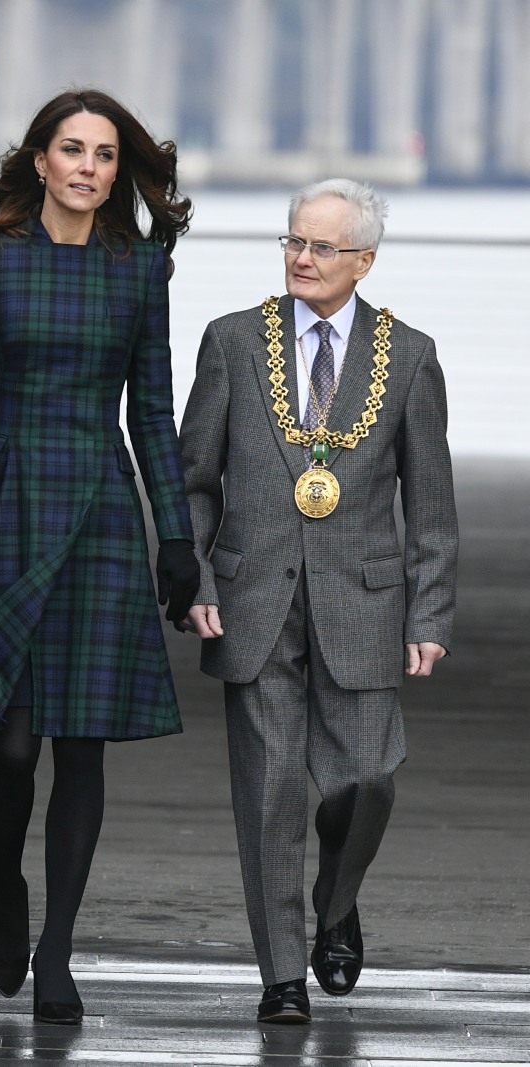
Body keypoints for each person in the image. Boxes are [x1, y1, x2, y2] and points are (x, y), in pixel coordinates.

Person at [0, 89, 199, 1024]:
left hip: (105, 509)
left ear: (121, 170)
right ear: (38, 160)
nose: (89, 168)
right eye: (71, 149)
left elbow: (152, 409)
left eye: (106, 155)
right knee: (13, 742)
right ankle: (6, 882)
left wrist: (178, 537)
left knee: (81, 743)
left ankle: (60, 950)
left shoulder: (140, 266)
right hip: (4, 499)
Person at [179, 179, 458, 1024]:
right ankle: (282, 975)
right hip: (253, 597)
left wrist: (431, 613)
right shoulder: (231, 341)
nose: (301, 257)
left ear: (363, 260)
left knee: (367, 777)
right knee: (268, 793)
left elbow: (432, 501)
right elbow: (192, 480)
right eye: (293, 241)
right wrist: (195, 578)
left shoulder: (408, 355)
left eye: (321, 247)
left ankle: (337, 900)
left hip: (366, 601)